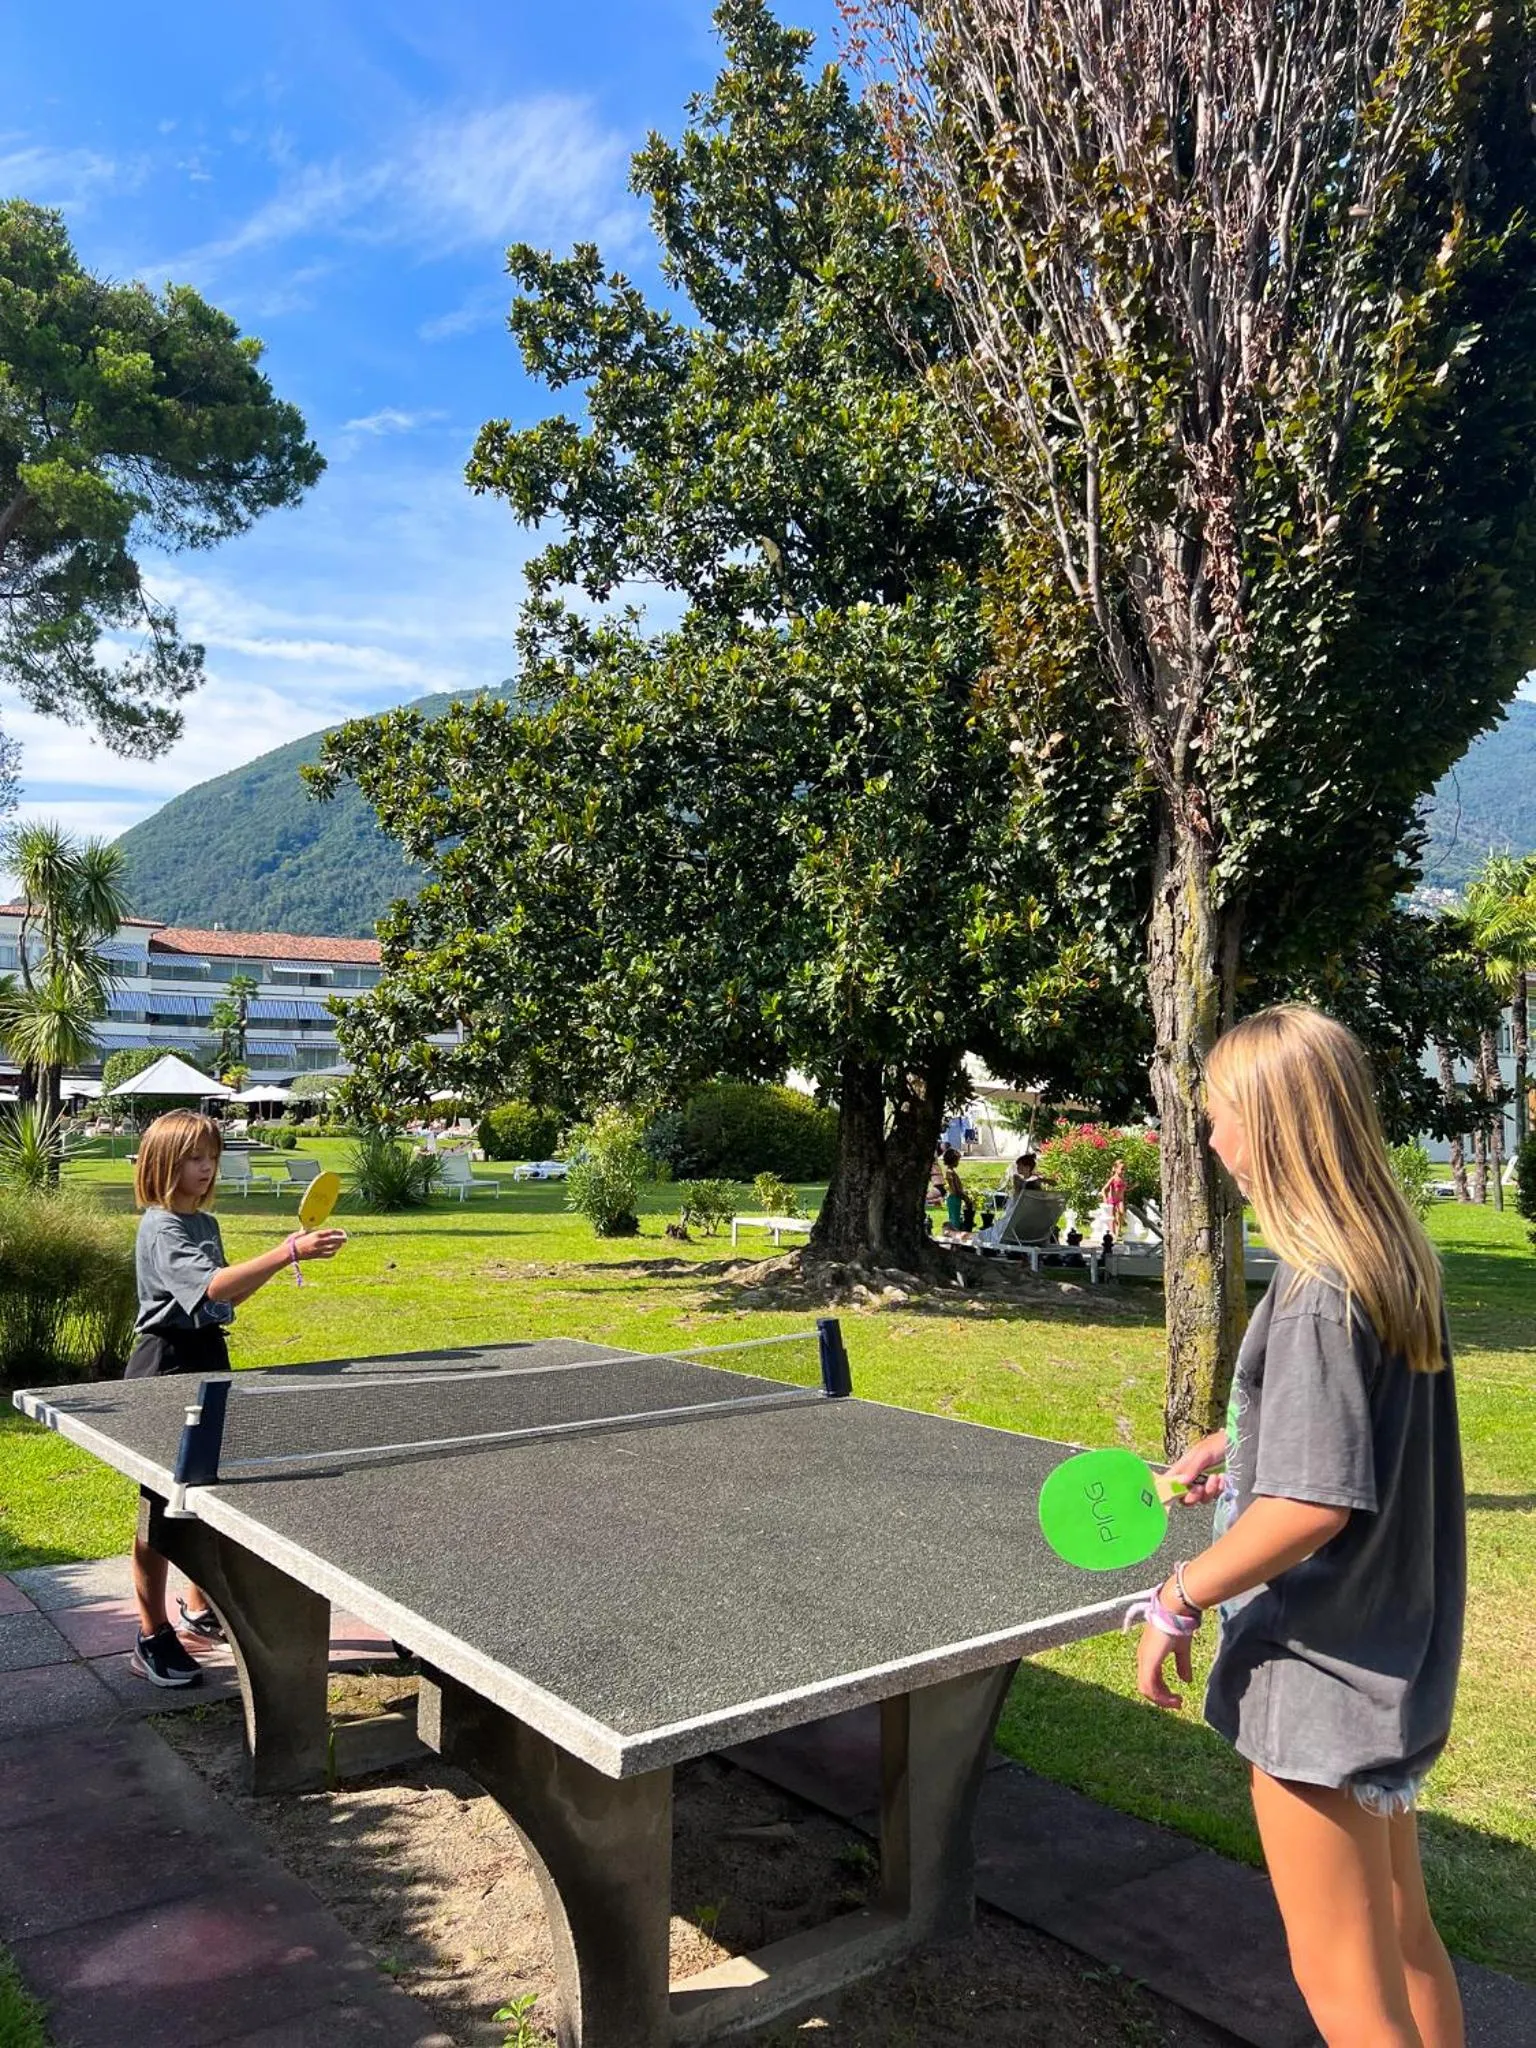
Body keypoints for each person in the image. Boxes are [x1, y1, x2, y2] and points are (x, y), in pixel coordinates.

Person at [1133, 1006, 1465, 2048]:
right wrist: (1241, 1439)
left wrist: (1179, 1599)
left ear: (1272, 1127)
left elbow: (1315, 1505)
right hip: (1389, 1664)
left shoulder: (1319, 1291)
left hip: (1319, 1683)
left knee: (1342, 1985)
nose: (1212, 1141)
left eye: (1221, 1118)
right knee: (1407, 1939)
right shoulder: (1388, 1259)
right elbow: (1354, 1432)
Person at [127, 1109, 348, 1687]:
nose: (205, 1169)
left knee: (209, 1493)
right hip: (163, 1365)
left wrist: (281, 1260)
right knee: (161, 1508)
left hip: (207, 1357)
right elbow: (210, 1285)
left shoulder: (206, 1225)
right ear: (162, 1163)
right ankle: (150, 1634)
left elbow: (224, 1300)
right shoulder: (162, 1226)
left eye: (211, 1159)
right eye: (194, 1159)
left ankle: (200, 1608)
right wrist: (287, 1253)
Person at [940, 1145, 969, 1235]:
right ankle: (953, 1237)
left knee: (957, 1219)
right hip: (954, 1198)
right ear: (953, 1160)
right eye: (957, 1160)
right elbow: (955, 1190)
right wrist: (965, 1198)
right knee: (955, 1221)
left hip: (956, 1198)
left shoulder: (951, 1171)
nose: (958, 1162)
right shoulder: (949, 1172)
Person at [1100, 1155, 1129, 1237]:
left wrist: (1133, 1186)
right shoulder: (1113, 1178)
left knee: (1121, 1213)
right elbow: (1103, 1189)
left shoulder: (1123, 1179)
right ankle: (1112, 1232)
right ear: (1116, 1169)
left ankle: (1119, 1230)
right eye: (1121, 1169)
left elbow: (1124, 1189)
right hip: (1112, 1200)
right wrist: (1105, 1198)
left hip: (1120, 1200)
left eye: (1124, 1169)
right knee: (1112, 1217)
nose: (1123, 1171)